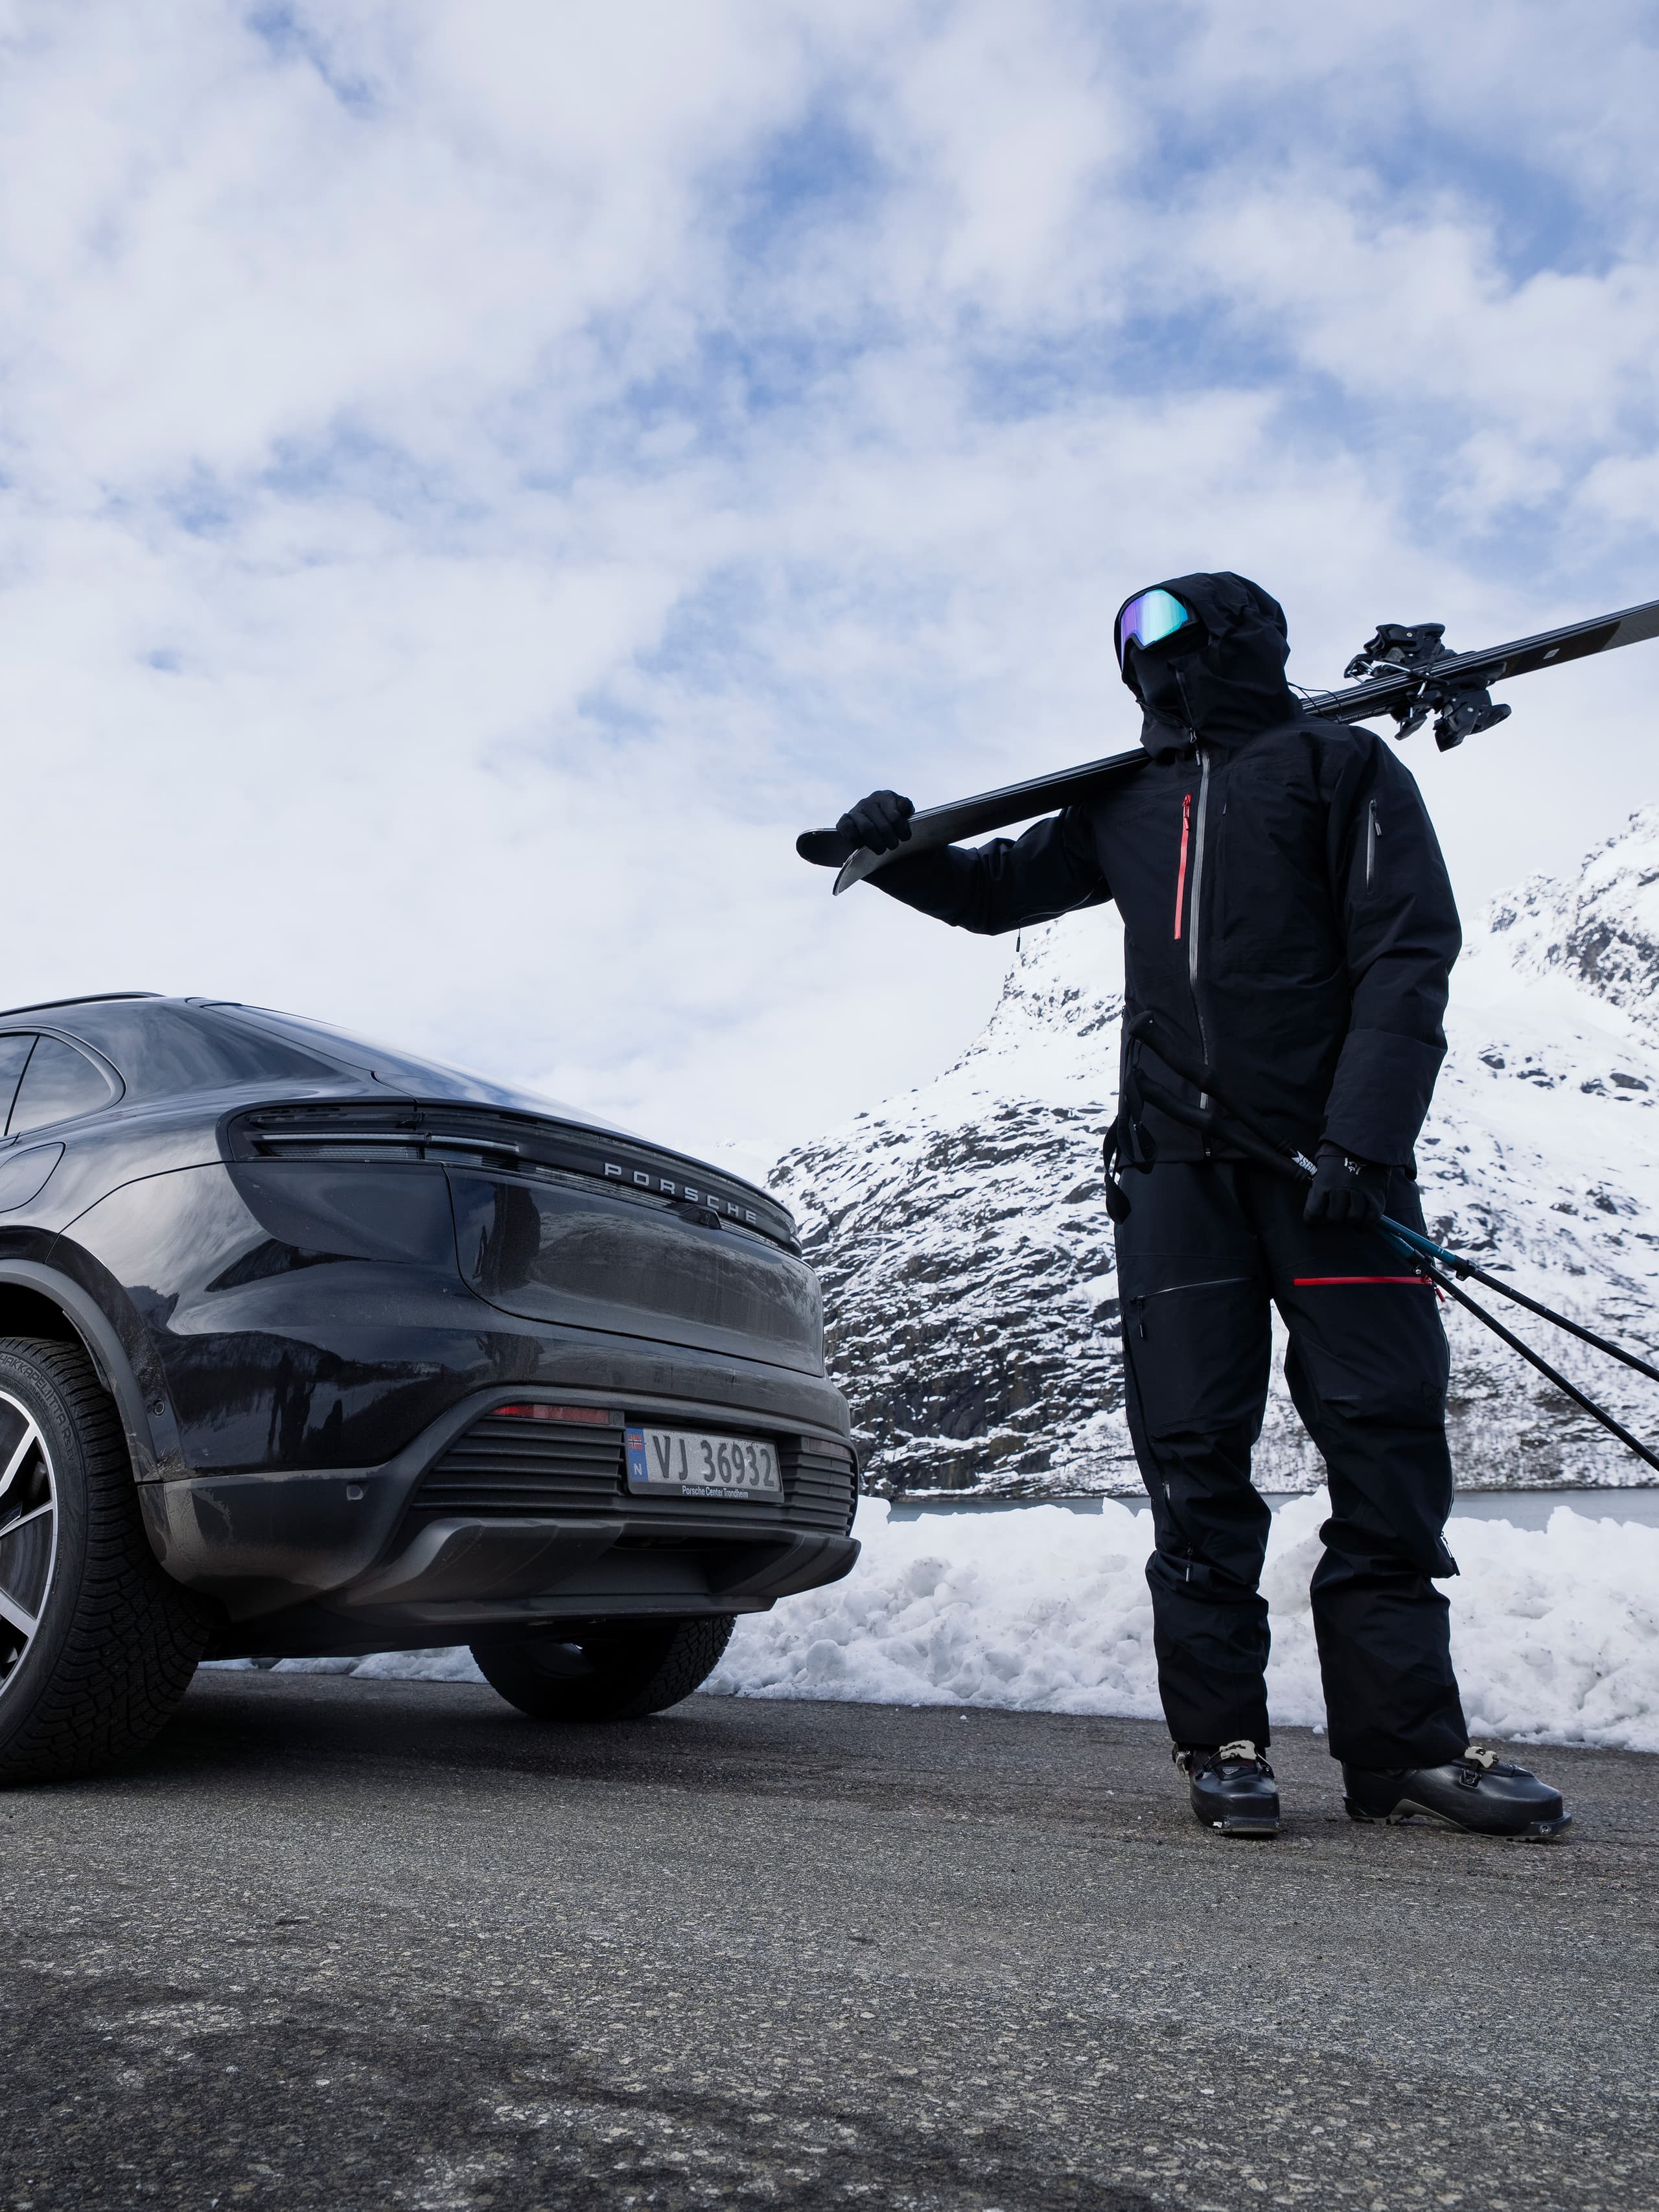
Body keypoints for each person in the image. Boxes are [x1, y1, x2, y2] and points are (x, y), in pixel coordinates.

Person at [835, 571, 1567, 1840]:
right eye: (1125, 638)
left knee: (1383, 1445)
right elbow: (995, 891)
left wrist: (1362, 1138)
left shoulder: (1339, 770)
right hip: (1173, 1177)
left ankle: (1404, 1749)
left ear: (1230, 636)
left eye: (1163, 628)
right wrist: (896, 848)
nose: (1140, 655)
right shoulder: (1120, 802)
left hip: (1332, 1176)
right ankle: (1222, 1743)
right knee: (1190, 1458)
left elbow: (1407, 954)